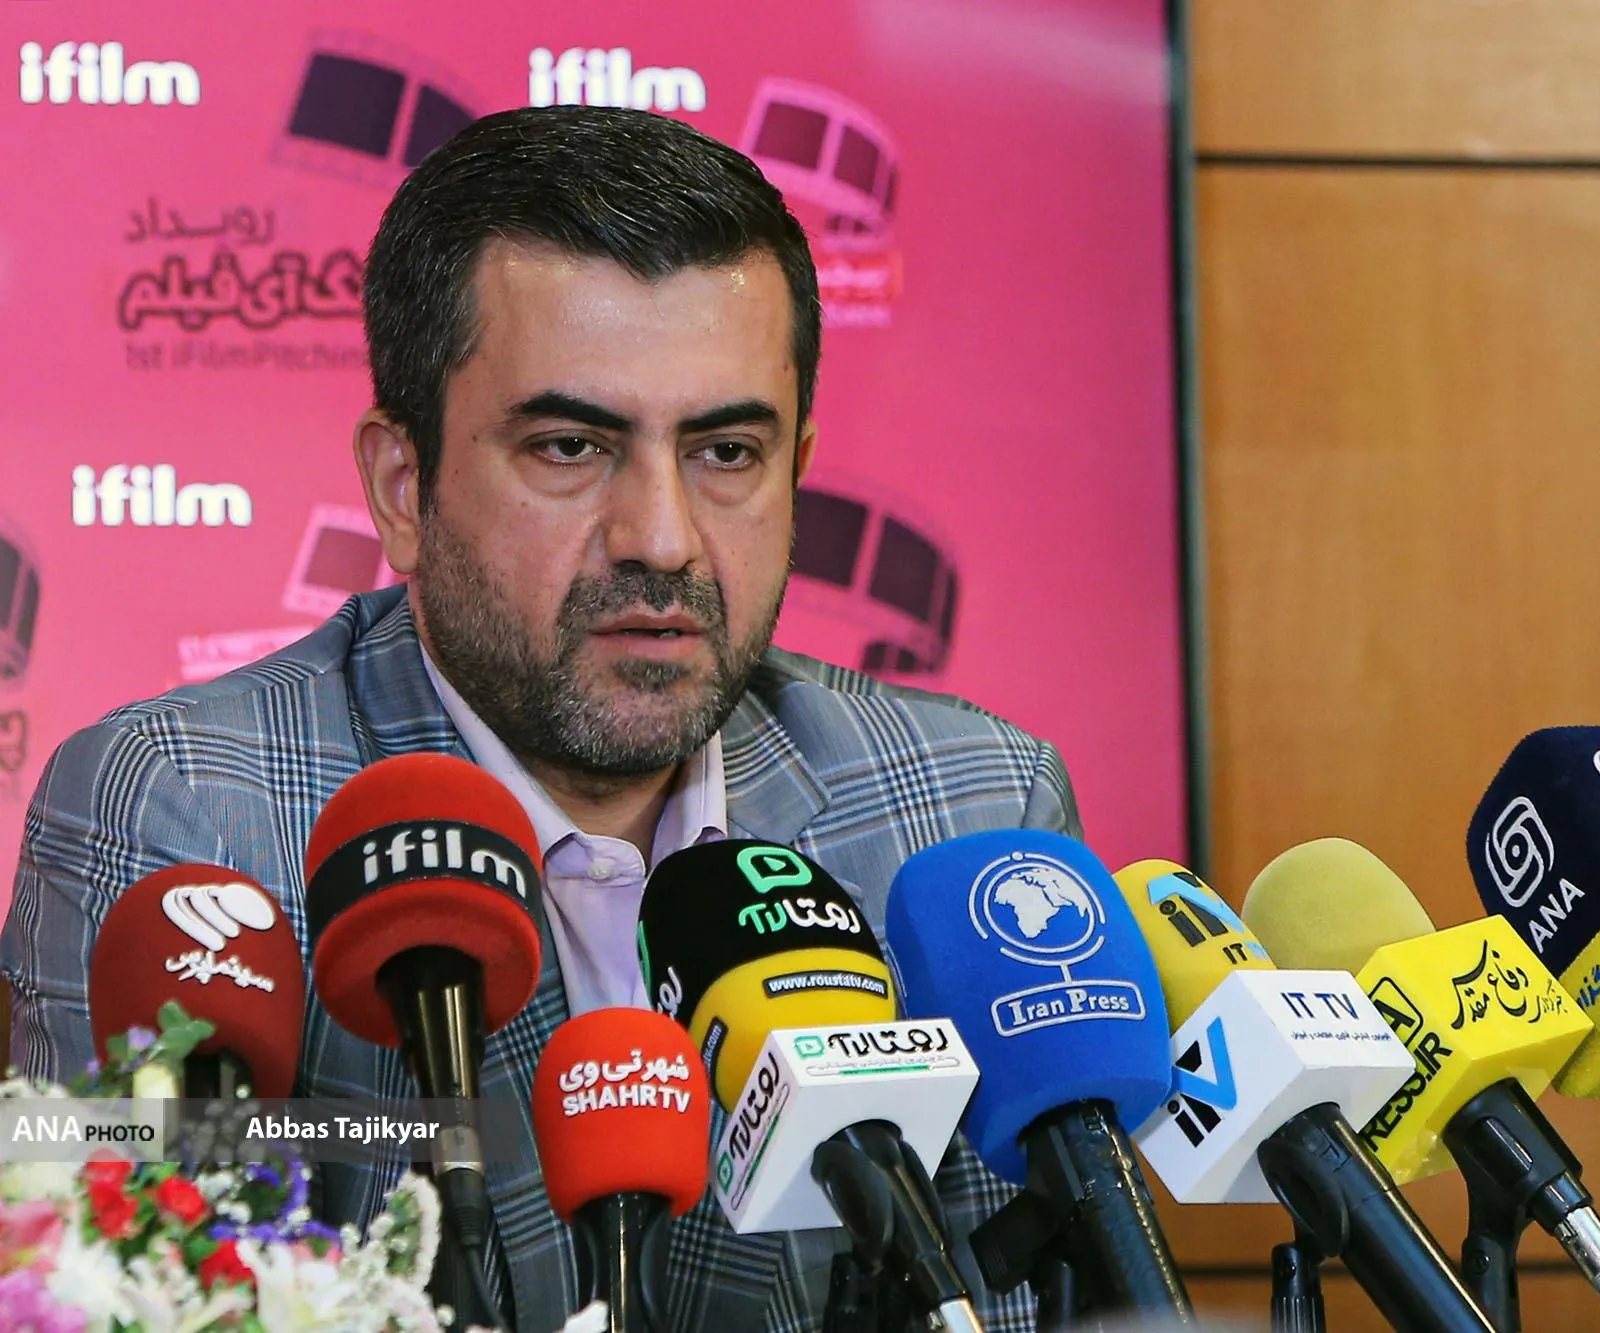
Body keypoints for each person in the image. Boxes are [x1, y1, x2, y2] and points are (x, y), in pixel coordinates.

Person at [0, 106, 1079, 1332]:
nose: (661, 538)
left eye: (727, 452)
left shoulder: (967, 818)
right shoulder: (186, 818)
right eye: (571, 446)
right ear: (401, 487)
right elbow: (140, 1289)